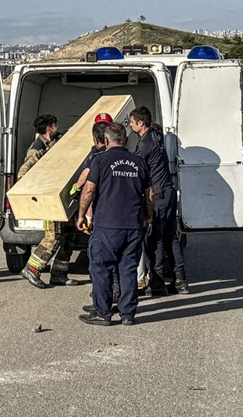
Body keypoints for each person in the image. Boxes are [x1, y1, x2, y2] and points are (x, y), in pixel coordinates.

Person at [77, 123, 154, 326]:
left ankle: (103, 312)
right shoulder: (138, 161)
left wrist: (81, 215)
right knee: (128, 269)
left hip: (107, 225)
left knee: (101, 268)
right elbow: (150, 194)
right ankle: (128, 314)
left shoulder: (100, 160)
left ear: (106, 140)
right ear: (125, 140)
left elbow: (89, 190)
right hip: (134, 225)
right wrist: (148, 217)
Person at [129, 107, 188, 295]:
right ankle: (181, 281)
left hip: (158, 196)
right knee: (171, 238)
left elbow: (137, 169)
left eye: (132, 122)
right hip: (168, 192)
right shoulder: (157, 136)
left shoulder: (145, 144)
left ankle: (158, 282)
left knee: (155, 240)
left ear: (141, 123)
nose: (130, 125)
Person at [18, 114, 78, 288]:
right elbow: (24, 172)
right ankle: (32, 269)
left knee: (69, 235)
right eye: (55, 125)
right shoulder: (36, 149)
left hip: (61, 198)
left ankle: (59, 274)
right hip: (48, 200)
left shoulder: (56, 141)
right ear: (49, 128)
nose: (58, 128)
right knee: (53, 236)